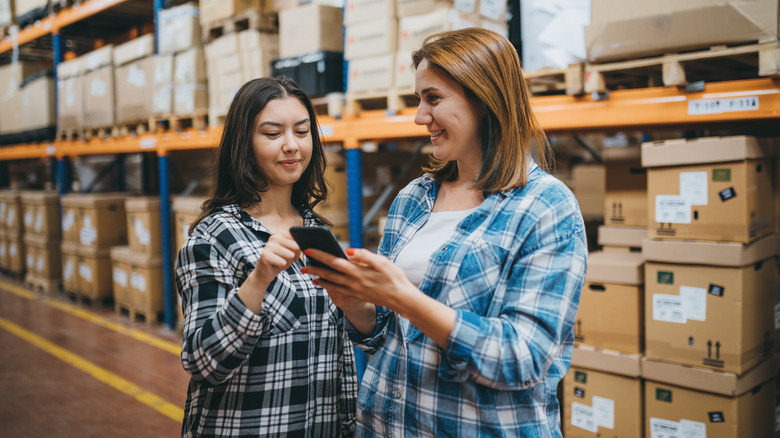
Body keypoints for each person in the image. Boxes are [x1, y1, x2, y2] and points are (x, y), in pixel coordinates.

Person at [303, 28, 588, 437]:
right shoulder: (413, 199)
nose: (420, 116)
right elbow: (385, 332)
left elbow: (523, 358)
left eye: (433, 98)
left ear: (484, 98)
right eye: (419, 99)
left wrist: (405, 298)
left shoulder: (545, 207)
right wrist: (358, 304)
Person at [175, 77, 358, 437]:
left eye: (302, 132)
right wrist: (258, 280)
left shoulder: (316, 233)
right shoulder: (213, 238)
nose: (292, 145)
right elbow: (201, 363)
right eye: (273, 134)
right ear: (244, 144)